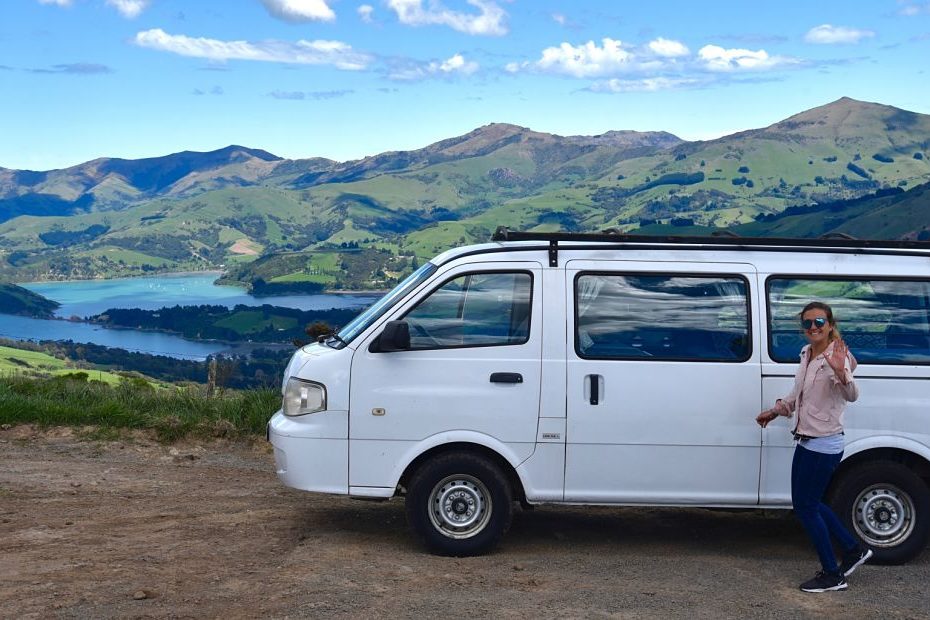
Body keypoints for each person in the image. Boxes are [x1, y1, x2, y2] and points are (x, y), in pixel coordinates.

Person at [756, 301, 873, 593]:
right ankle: (852, 550)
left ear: (830, 325)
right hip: (807, 440)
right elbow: (798, 395)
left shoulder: (837, 355)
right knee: (810, 502)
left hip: (824, 443)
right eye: (807, 323)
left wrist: (842, 372)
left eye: (819, 322)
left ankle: (833, 575)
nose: (813, 328)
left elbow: (852, 394)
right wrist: (776, 410)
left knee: (806, 507)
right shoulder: (807, 354)